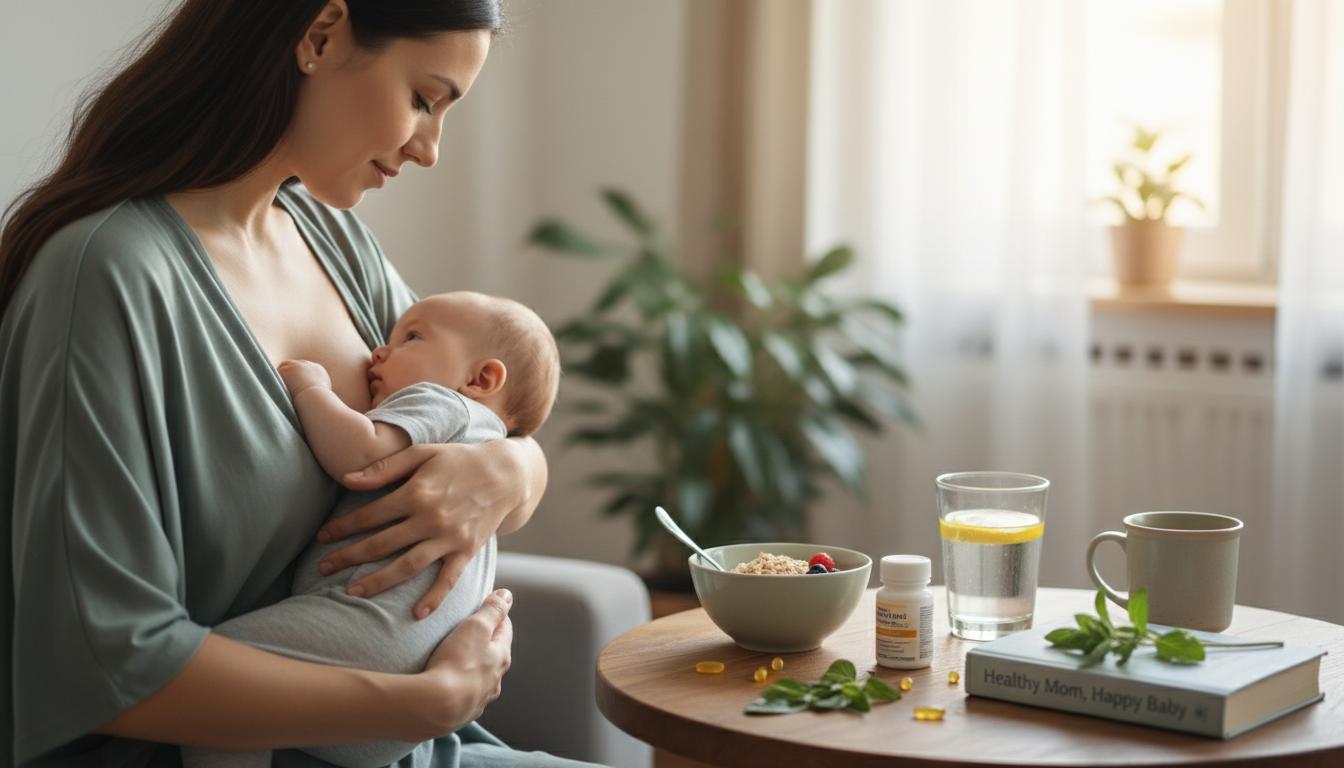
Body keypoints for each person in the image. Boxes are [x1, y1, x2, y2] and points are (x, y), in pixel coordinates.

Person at [0, 1, 595, 766]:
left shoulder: (333, 240)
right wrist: (427, 701)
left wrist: (514, 470)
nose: (430, 150)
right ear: (320, 36)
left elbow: (478, 408)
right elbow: (104, 658)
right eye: (423, 99)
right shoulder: (104, 277)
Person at [183, 291, 561, 768]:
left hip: (370, 638)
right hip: (410, 687)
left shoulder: (444, 402)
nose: (379, 351)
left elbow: (360, 457)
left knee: (219, 675)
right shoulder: (483, 435)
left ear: (480, 378)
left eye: (412, 337)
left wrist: (310, 389)